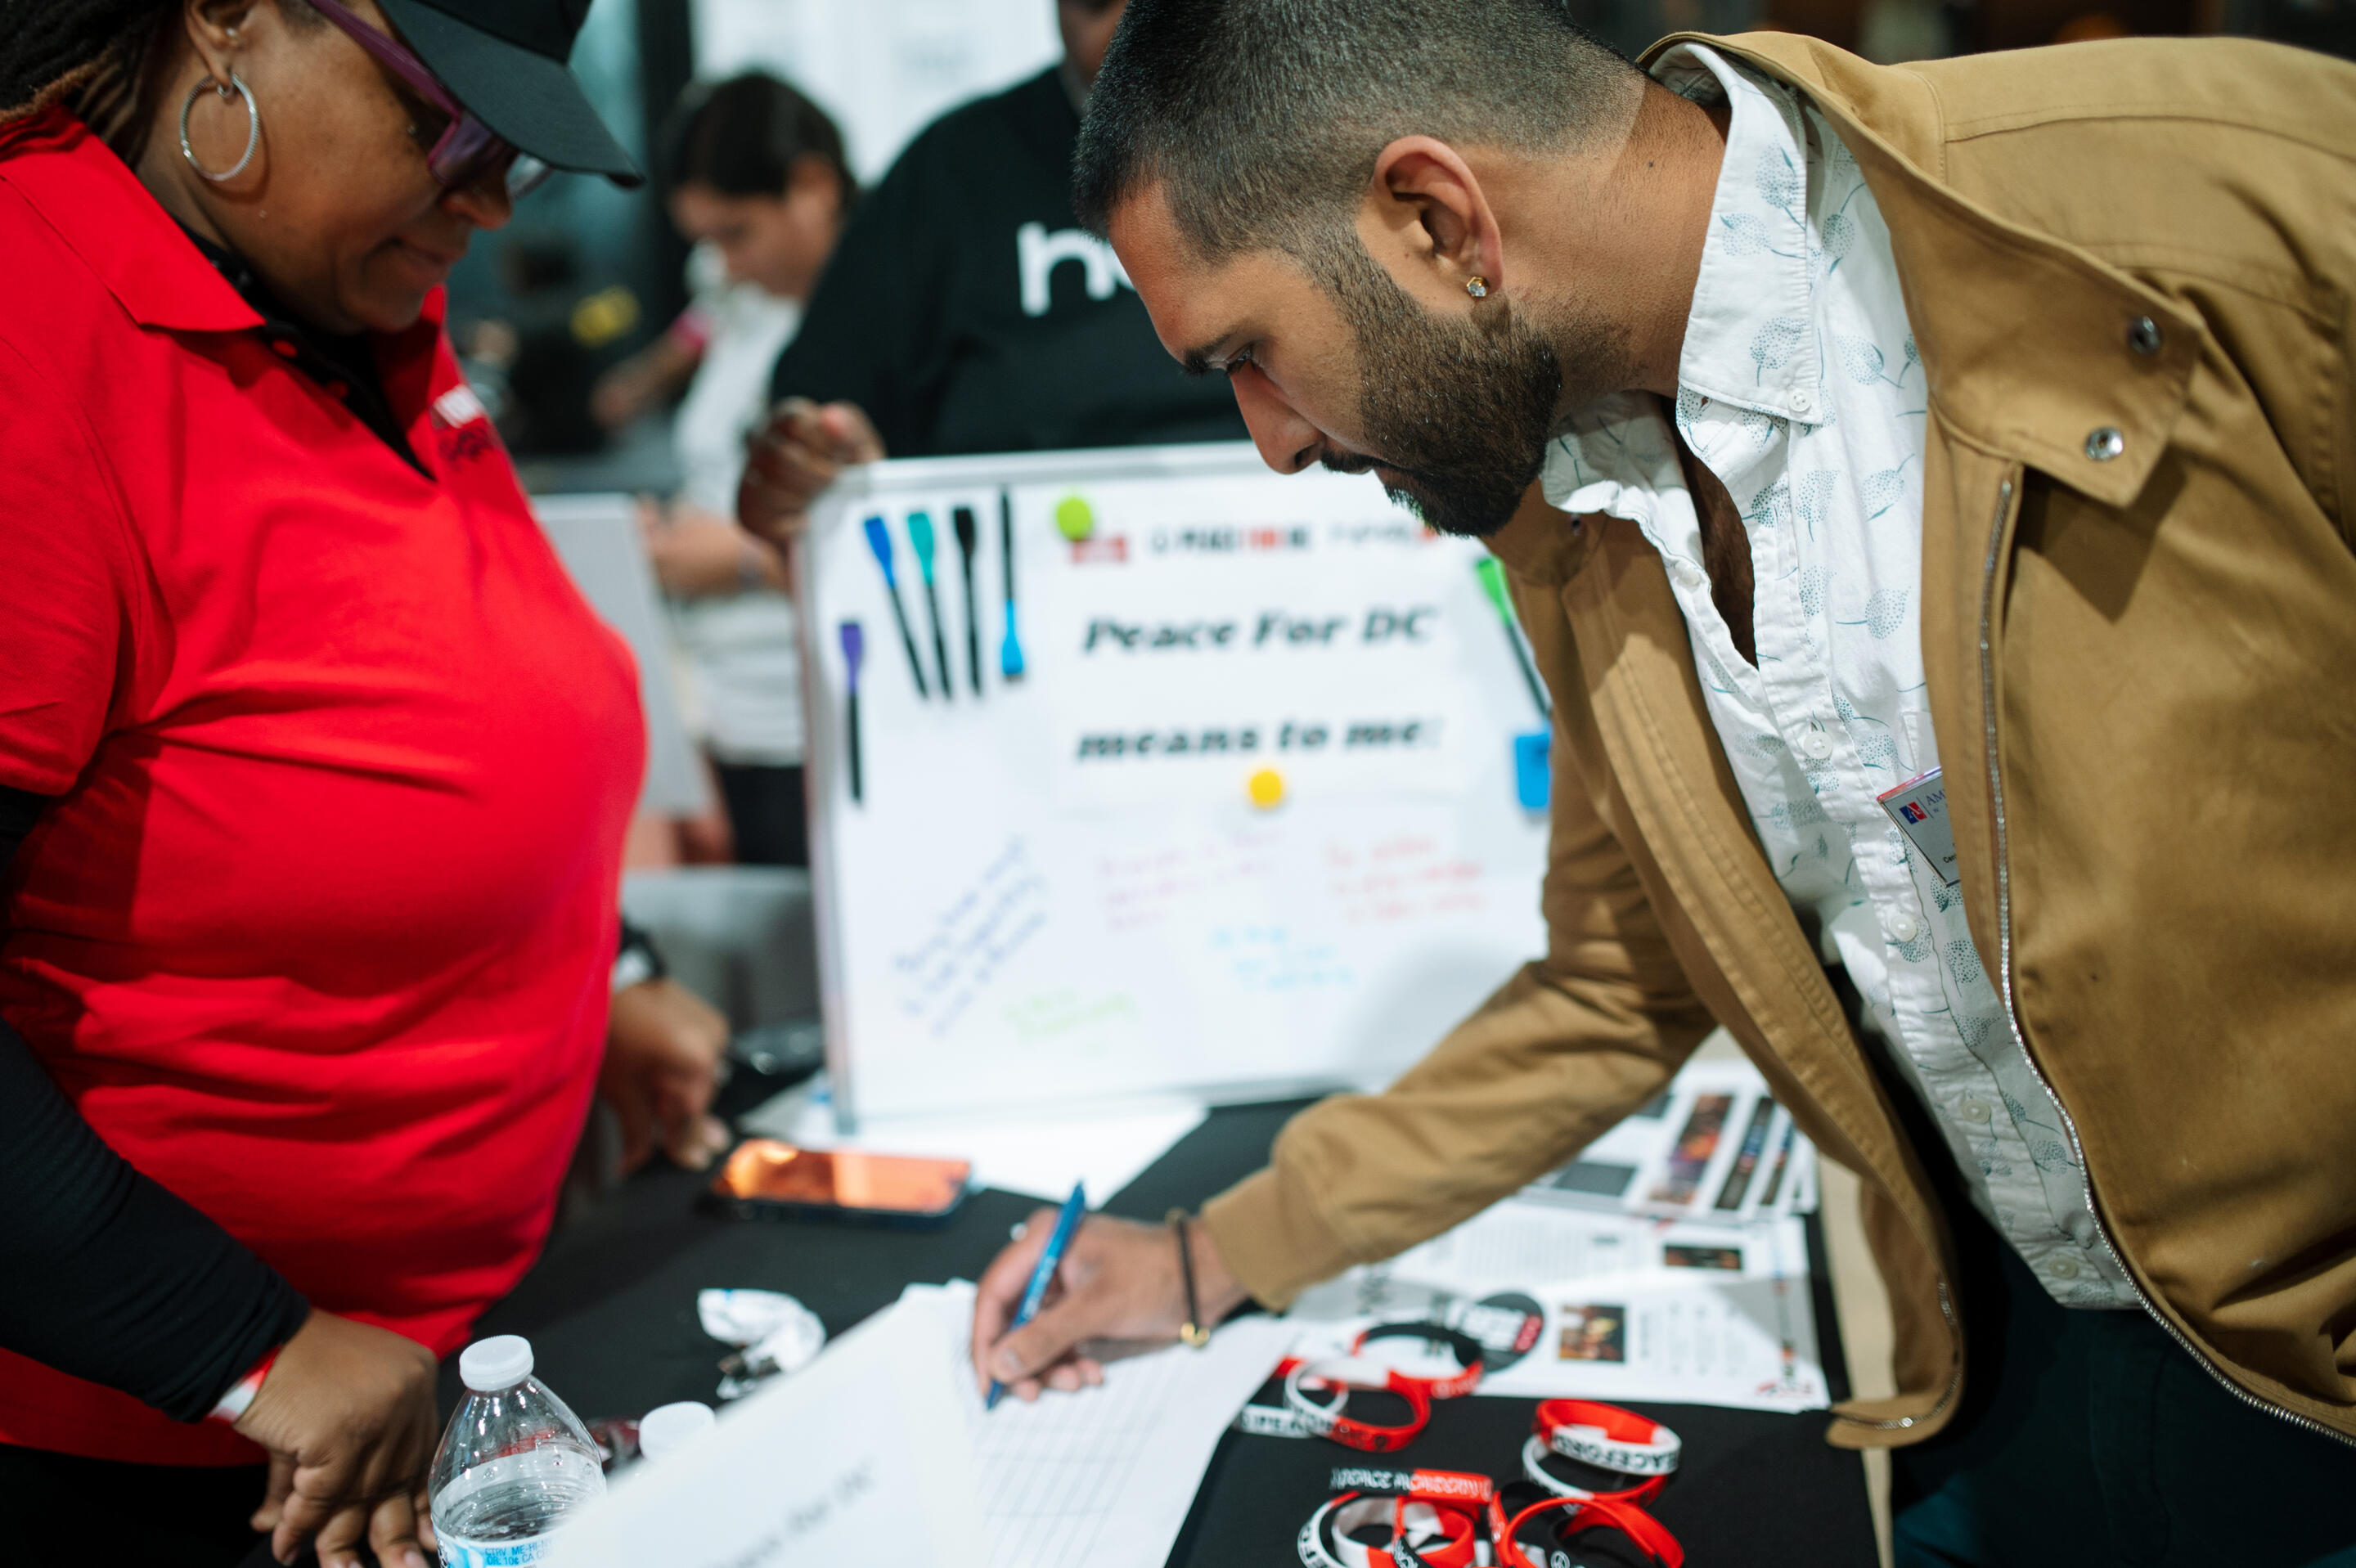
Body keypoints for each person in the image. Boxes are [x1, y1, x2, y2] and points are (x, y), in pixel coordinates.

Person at [969, 2, 2356, 1561]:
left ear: (1437, 222)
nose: (1272, 442)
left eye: (1250, 355)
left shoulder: (2243, 198)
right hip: (1994, 1362)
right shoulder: (1559, 498)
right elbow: (1625, 974)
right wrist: (1212, 1253)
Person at [0, 2, 717, 1564]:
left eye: (510, 158)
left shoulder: (342, 295)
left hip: (471, 1357)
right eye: (441, 127)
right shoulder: (31, 334)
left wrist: (601, 980)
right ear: (229, 19)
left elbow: (441, 719)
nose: (480, 204)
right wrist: (244, 1346)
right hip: (180, 1449)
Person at [735, 0, 1244, 546]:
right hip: (1000, 605)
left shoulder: (1315, 156)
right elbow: (814, 415)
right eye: (1095, 6)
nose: (1133, 31)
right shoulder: (950, 177)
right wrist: (819, 458)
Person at [595, 73, 855, 866]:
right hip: (722, 709)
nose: (723, 263)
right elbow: (697, 333)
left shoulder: (881, 322)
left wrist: (738, 559)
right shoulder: (735, 297)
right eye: (705, 240)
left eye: (737, 234)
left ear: (812, 188)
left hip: (815, 722)